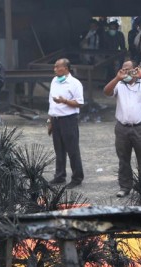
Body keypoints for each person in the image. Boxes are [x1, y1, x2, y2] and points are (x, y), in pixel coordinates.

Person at [103, 61, 141, 198]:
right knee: (123, 159)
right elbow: (106, 92)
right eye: (123, 69)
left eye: (128, 70)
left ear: (135, 70)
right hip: (122, 128)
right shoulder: (119, 84)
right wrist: (117, 78)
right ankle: (125, 186)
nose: (126, 72)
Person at [47, 58, 84, 188]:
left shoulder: (74, 83)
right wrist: (50, 121)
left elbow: (79, 103)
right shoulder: (54, 81)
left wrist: (65, 101)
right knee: (59, 150)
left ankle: (77, 177)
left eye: (57, 67)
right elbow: (51, 103)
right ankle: (60, 176)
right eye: (54, 67)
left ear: (66, 69)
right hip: (56, 119)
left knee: (72, 149)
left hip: (68, 119)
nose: (55, 69)